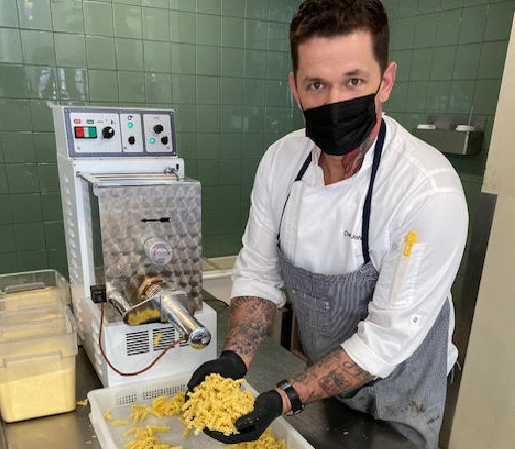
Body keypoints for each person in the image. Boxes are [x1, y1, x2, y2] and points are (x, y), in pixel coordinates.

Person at [187, 1, 468, 448]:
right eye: (316, 84)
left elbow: (383, 342)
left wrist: (284, 397)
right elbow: (259, 275)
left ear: (386, 81)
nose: (335, 102)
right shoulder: (282, 162)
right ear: (295, 88)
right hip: (329, 389)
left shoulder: (427, 191)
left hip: (403, 398)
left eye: (354, 81)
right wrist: (235, 359)